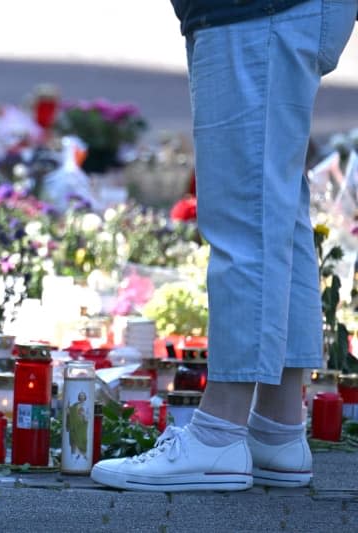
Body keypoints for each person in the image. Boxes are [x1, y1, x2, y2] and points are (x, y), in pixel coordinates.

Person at [92, 0, 358, 492]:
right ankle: (276, 429)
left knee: (245, 207)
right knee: (273, 203)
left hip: (256, 10)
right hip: (273, 11)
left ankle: (219, 434)